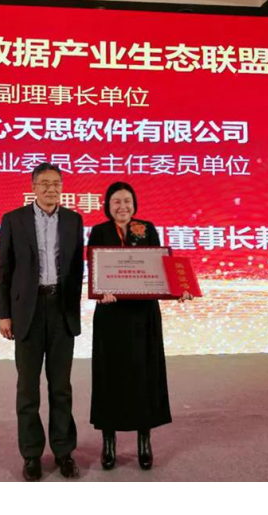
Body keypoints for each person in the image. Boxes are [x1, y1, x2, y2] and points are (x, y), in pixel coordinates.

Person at [88, 181, 191, 471]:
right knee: (109, 376)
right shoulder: (99, 231)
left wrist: (178, 289)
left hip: (143, 314)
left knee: (145, 374)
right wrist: (101, 291)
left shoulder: (147, 228)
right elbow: (94, 268)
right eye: (116, 201)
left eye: (127, 201)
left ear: (134, 204)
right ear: (107, 206)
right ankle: (108, 441)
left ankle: (144, 440)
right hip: (111, 315)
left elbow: (160, 268)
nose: (123, 206)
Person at [0, 163, 84, 481]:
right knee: (28, 388)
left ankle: (64, 451)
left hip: (61, 310)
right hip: (27, 312)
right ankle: (31, 454)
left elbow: (77, 268)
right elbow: (4, 269)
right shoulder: (14, 220)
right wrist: (4, 314)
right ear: (33, 187)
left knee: (61, 387)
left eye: (56, 183)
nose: (51, 189)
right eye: (44, 183)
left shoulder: (73, 220)